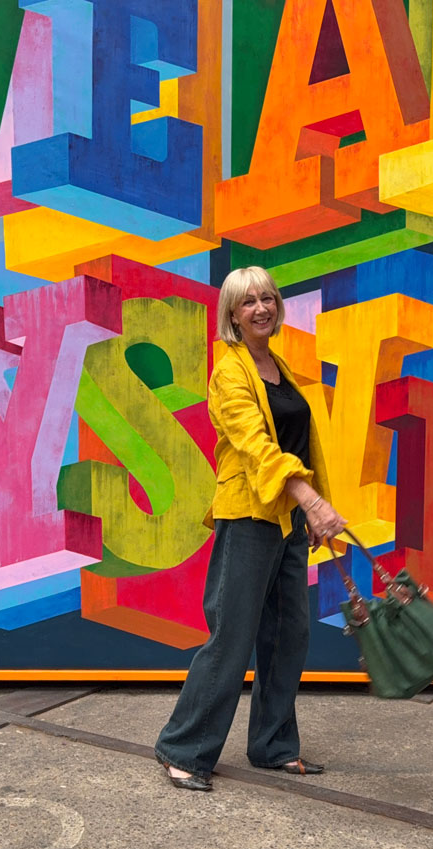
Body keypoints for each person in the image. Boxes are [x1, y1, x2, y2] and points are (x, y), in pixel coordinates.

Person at [154, 265, 347, 791]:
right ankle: (183, 748)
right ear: (232, 316)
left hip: (285, 519)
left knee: (289, 635)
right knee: (232, 636)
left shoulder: (278, 366)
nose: (261, 308)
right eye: (248, 302)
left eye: (267, 298)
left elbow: (302, 443)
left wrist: (313, 507)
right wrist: (309, 499)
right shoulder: (230, 372)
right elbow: (257, 445)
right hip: (248, 515)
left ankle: (273, 746)